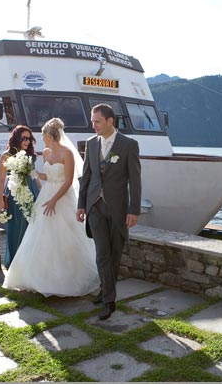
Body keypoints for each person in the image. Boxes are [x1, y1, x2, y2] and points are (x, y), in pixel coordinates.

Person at [2, 118, 100, 297]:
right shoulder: (46, 153)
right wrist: (33, 173)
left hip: (62, 197)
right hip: (46, 195)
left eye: (42, 135)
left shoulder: (67, 153)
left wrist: (54, 200)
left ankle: (67, 279)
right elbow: (47, 176)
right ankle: (37, 277)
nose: (40, 138)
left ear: (49, 135)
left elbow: (69, 181)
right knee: (40, 234)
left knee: (64, 236)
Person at [77, 104, 142, 320]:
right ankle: (109, 301)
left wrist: (134, 210)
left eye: (97, 121)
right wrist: (81, 205)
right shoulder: (90, 144)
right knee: (102, 253)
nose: (93, 125)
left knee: (115, 255)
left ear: (110, 121)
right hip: (95, 205)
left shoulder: (129, 145)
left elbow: (135, 180)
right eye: (92, 121)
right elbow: (86, 176)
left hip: (119, 209)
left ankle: (105, 289)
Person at [0, 125, 40, 269]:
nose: (27, 141)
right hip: (15, 195)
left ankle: (31, 263)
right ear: (16, 138)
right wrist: (1, 199)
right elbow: (1, 180)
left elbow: (34, 176)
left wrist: (43, 192)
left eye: (29, 139)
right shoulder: (6, 156)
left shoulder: (30, 155)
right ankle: (16, 264)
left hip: (32, 193)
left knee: (33, 227)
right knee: (16, 227)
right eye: (24, 138)